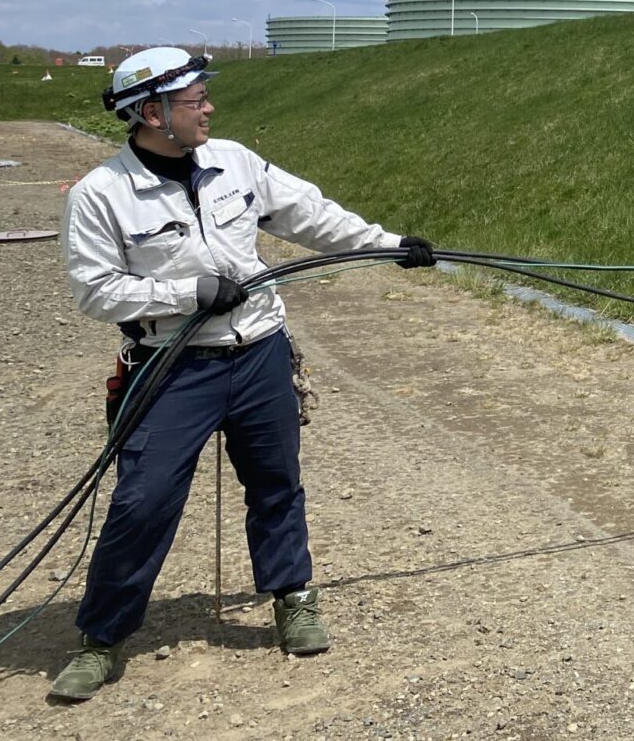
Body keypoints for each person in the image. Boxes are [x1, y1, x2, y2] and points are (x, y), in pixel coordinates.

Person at [49, 47, 435, 702]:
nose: (209, 108)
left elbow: (310, 214)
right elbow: (96, 291)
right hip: (171, 367)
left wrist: (389, 246)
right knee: (143, 500)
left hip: (259, 353)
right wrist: (188, 293)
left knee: (276, 482)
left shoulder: (235, 162)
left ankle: (293, 597)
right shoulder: (101, 194)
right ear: (152, 113)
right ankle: (101, 637)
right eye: (195, 100)